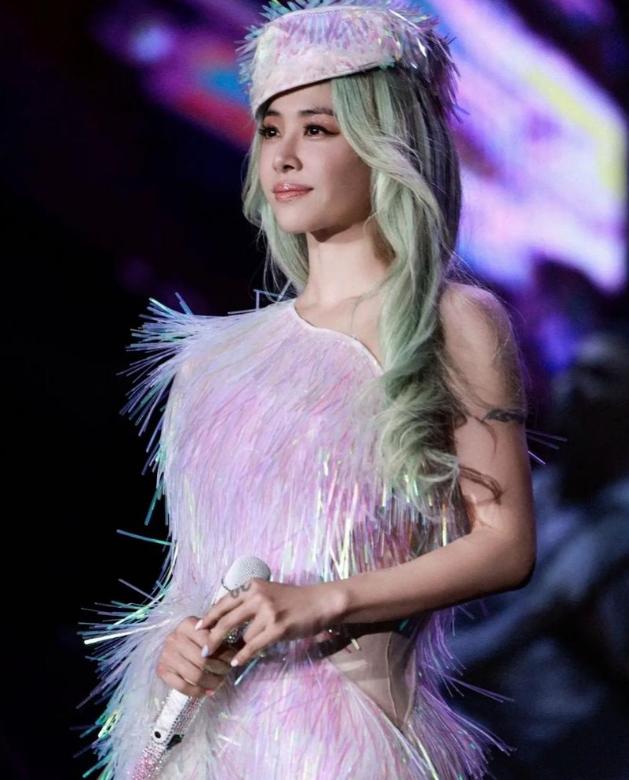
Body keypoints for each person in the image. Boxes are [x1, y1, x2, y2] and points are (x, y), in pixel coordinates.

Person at [79, 2, 536, 777]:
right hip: (210, 747)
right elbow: (191, 581)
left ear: (382, 141)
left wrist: (322, 599)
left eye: (317, 129)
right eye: (269, 129)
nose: (284, 156)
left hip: (345, 744)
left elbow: (503, 543)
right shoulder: (209, 364)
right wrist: (177, 646)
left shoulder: (449, 323)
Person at [449, 330, 629, 779]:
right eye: (574, 369)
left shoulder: (618, 523)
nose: (575, 386)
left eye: (601, 376)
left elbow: (527, 620)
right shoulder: (538, 491)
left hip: (574, 746)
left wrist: (422, 668)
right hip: (501, 733)